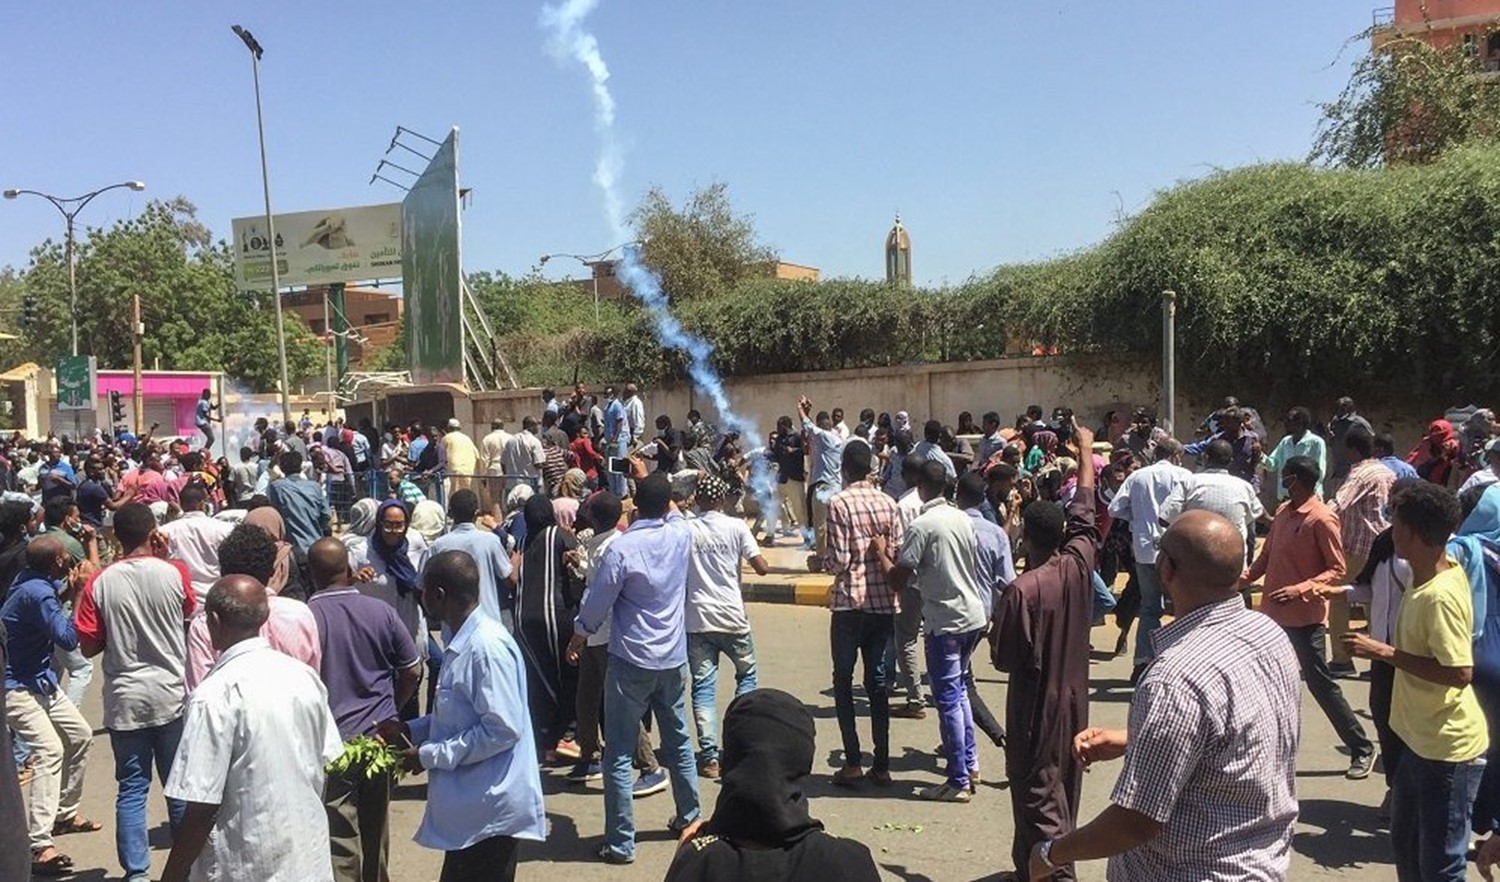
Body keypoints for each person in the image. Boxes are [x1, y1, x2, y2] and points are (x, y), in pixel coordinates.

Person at [1030, 511, 1301, 881]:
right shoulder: (1267, 633)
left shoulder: (1175, 678)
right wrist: (1136, 739)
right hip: (1260, 865)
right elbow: (1243, 733)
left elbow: (1136, 821)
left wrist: (1051, 854)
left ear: (1166, 569)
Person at [1346, 481, 1487, 881]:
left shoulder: (1439, 596)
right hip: (1417, 740)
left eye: (1396, 522)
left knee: (1440, 863)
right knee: (1406, 843)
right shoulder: (1425, 575)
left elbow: (1459, 673)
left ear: (1412, 533)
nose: (1390, 530)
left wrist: (1383, 652)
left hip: (1445, 751)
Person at [160, 575, 343, 882]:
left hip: (247, 864)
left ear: (213, 620)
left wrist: (172, 876)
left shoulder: (214, 695)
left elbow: (201, 805)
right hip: (306, 857)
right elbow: (329, 757)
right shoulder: (303, 676)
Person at [380, 550, 546, 881]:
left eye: (423, 591)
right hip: (471, 813)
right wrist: (410, 730)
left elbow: (502, 730)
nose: (420, 598)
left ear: (438, 595)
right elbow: (457, 717)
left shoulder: (486, 648)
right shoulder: (463, 642)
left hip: (489, 810)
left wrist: (427, 756)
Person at [570, 471, 701, 865]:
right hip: (672, 657)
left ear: (635, 506)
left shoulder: (623, 549)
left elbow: (597, 604)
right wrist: (649, 479)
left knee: (618, 753)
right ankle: (690, 817)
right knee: (678, 741)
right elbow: (673, 510)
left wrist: (578, 636)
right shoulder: (680, 533)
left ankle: (621, 843)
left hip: (630, 660)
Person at [991, 420, 1099, 881]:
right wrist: (1086, 449)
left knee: (1039, 803)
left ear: (1027, 539)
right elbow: (1085, 509)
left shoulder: (1023, 590)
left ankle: (1053, 873)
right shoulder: (1078, 563)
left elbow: (1005, 659)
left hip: (1036, 712)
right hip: (1074, 705)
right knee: (1061, 793)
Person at [73, 502, 196, 882]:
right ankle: (186, 870)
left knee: (131, 790)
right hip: (170, 695)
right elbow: (188, 610)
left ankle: (137, 874)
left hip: (125, 700)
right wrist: (165, 557)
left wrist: (84, 598)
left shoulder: (100, 582)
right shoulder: (175, 572)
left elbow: (88, 646)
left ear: (117, 537)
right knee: (178, 787)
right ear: (153, 532)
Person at [665, 689, 882, 882]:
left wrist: (686, 857)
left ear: (732, 758)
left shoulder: (700, 864)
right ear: (802, 758)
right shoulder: (849, 861)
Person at [1246, 456, 1375, 779]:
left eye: (1286, 477)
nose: (1282, 482)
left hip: (1306, 619)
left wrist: (1300, 589)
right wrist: (1243, 578)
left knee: (1320, 684)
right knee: (1263, 682)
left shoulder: (1321, 518)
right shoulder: (1282, 512)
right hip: (1272, 618)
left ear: (1296, 480)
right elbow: (1267, 555)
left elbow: (1337, 569)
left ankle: (1361, 748)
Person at [307, 538, 422, 882]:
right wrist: (392, 710)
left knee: (340, 839)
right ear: (348, 569)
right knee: (376, 832)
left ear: (311, 573)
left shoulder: (306, 618)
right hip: (379, 741)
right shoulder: (381, 611)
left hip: (332, 745)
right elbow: (412, 670)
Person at [880, 460, 988, 802]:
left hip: (946, 623)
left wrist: (881, 553)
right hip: (972, 616)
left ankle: (957, 780)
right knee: (960, 692)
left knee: (948, 700)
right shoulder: (962, 518)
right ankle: (970, 765)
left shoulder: (921, 525)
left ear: (920, 486)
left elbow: (897, 579)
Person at [3, 536, 98, 875]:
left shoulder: (31, 580)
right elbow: (69, 639)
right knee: (49, 750)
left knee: (81, 735)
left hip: (40, 681)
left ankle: (64, 813)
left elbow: (51, 595)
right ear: (58, 561)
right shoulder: (37, 593)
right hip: (17, 688)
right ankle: (38, 845)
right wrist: (79, 592)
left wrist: (68, 588)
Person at [821, 441, 905, 786]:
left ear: (844, 469)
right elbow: (896, 552)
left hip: (849, 604)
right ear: (870, 468)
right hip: (882, 604)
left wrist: (823, 562)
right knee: (877, 683)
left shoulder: (838, 503)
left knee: (843, 680)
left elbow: (839, 560)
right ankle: (881, 764)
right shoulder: (889, 503)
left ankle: (853, 762)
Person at [684, 473, 768, 779]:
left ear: (698, 499)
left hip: (697, 619)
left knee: (703, 687)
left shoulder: (687, 529)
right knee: (747, 676)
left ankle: (709, 757)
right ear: (722, 500)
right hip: (733, 618)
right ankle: (738, 743)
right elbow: (761, 567)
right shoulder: (736, 527)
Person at [184, 522, 322, 690]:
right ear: (272, 571)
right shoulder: (299, 614)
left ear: (222, 571)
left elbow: (198, 689)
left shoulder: (206, 624)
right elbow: (313, 676)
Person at [1107, 438, 1190, 678]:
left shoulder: (1138, 476)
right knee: (1182, 606)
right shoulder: (1184, 476)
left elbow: (1115, 508)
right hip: (1176, 549)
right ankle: (1177, 662)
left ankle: (1143, 661)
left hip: (1144, 550)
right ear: (1175, 456)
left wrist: (1136, 518)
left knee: (1150, 606)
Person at [514, 494, 583, 761]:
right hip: (554, 615)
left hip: (523, 620)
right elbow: (578, 569)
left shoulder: (522, 541)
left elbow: (514, 575)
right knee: (569, 675)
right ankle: (566, 735)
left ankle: (544, 741)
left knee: (539, 681)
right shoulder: (559, 535)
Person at [352, 500, 430, 719]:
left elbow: (424, 581)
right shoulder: (361, 552)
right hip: (375, 640)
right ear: (378, 523)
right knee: (378, 699)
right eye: (388, 525)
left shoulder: (416, 545)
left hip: (409, 632)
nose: (394, 531)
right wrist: (355, 578)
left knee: (409, 699)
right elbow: (343, 584)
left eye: (399, 525)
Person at [1327, 426, 1395, 678]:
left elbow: (1337, 505)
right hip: (1385, 543)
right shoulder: (1386, 471)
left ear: (1351, 450)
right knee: (1374, 600)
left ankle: (1341, 659)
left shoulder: (1359, 474)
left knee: (1337, 594)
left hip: (1360, 546)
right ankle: (1378, 660)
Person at [955, 471, 1012, 748]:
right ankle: (961, 736)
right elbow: (1008, 583)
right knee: (960, 678)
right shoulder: (996, 534)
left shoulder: (950, 527)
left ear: (958, 497)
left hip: (953, 616)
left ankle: (995, 736)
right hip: (981, 617)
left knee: (958, 683)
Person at [431, 489, 515, 630]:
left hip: (453, 628)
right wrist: (516, 559)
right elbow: (510, 579)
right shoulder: (491, 541)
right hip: (488, 624)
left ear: (450, 513)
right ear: (476, 514)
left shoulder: (438, 546)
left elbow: (422, 587)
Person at [158, 483, 235, 596]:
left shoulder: (166, 531)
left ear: (180, 503)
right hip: (218, 593)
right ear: (202, 504)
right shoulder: (225, 529)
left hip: (182, 595)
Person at [799, 397, 845, 569]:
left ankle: (822, 559)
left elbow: (808, 426)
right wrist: (808, 412)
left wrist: (800, 409)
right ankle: (834, 556)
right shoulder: (837, 439)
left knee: (821, 525)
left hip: (824, 487)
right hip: (835, 487)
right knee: (833, 525)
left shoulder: (824, 437)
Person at [267, 450, 331, 555]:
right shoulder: (315, 487)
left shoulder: (276, 487)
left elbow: (274, 514)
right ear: (300, 467)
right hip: (317, 546)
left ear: (282, 468)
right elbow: (326, 515)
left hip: (292, 548)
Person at [1261, 407, 1328, 500]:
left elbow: (1320, 471)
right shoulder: (1285, 442)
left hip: (1308, 497)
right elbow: (1272, 465)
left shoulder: (1316, 443)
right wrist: (1260, 456)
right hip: (1286, 496)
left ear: (1300, 423)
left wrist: (1309, 492)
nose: (1285, 422)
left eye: (1289, 420)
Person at [1327, 396, 1374, 486]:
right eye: (1337, 408)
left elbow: (1371, 439)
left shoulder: (1359, 422)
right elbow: (1332, 442)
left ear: (1349, 408)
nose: (1338, 411)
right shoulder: (1335, 422)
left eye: (1342, 408)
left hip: (1355, 471)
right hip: (1338, 471)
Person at [501, 417, 547, 495]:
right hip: (529, 485)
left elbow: (503, 463)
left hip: (512, 484)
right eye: (536, 425)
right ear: (531, 426)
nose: (538, 428)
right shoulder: (534, 441)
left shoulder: (510, 441)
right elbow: (538, 463)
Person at [442, 417, 480, 499]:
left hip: (455, 470)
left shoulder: (446, 438)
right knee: (466, 493)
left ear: (449, 428)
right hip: (468, 470)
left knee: (455, 494)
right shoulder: (467, 438)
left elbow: (441, 453)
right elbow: (477, 455)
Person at [481, 418, 513, 514]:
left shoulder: (487, 439)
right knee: (510, 498)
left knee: (495, 499)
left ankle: (498, 520)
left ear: (492, 427)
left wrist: (483, 476)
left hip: (494, 470)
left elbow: (485, 459)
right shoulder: (510, 438)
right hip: (508, 470)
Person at [194, 389, 219, 453]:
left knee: (211, 439)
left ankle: (204, 451)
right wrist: (216, 420)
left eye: (209, 394)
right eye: (207, 394)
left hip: (204, 422)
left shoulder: (208, 401)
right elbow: (205, 415)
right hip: (201, 422)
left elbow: (213, 408)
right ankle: (203, 452)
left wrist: (220, 404)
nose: (209, 396)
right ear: (203, 395)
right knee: (211, 438)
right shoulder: (203, 402)